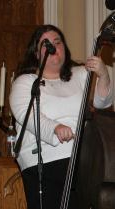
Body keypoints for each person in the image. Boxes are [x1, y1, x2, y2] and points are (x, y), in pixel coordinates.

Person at [9, 24, 113, 209]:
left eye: (57, 42)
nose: (53, 47)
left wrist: (103, 75)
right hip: (44, 161)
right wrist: (54, 128)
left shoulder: (81, 74)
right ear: (35, 53)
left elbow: (102, 103)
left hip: (83, 159)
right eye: (45, 44)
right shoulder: (25, 82)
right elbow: (27, 114)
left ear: (64, 47)